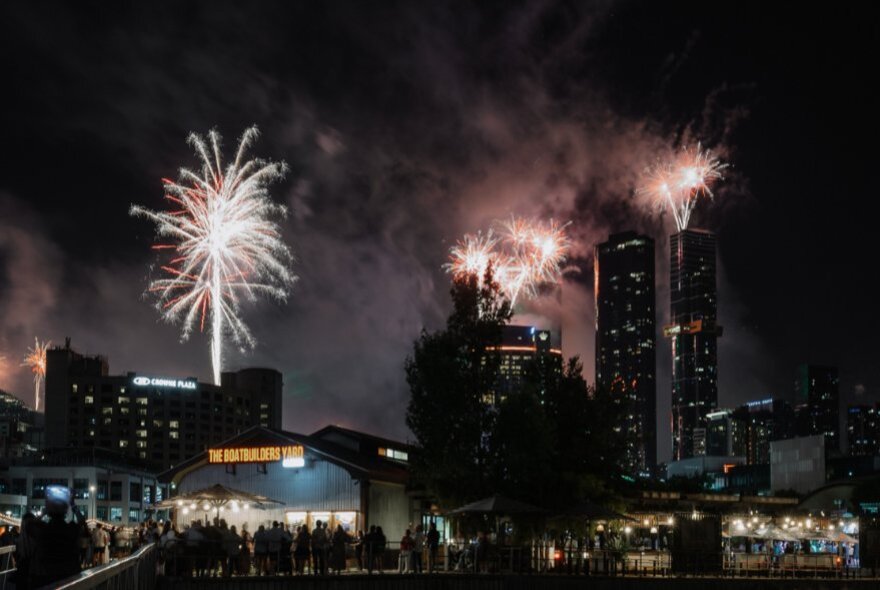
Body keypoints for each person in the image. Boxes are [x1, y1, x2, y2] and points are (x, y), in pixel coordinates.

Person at [25, 485, 88, 587]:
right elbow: (82, 523)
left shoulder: (43, 530)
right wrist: (73, 506)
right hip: (69, 576)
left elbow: (29, 526)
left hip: (46, 576)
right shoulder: (71, 529)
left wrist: (44, 512)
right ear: (65, 508)